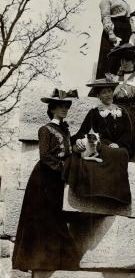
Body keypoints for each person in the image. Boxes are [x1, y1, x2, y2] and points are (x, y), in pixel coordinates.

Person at [12, 89, 79, 271]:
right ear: (52, 108)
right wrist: (63, 169)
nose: (64, 109)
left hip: (56, 180)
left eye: (66, 106)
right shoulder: (45, 129)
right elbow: (45, 156)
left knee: (54, 217)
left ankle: (52, 261)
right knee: (44, 218)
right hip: (43, 180)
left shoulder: (65, 131)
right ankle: (38, 262)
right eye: (60, 106)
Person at [65, 77, 135, 204]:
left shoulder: (122, 111)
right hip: (102, 145)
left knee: (120, 153)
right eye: (104, 92)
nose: (108, 94)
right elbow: (82, 131)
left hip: (120, 146)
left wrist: (118, 143)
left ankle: (117, 195)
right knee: (105, 152)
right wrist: (79, 140)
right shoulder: (94, 112)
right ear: (99, 96)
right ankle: (99, 192)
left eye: (109, 91)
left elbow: (127, 133)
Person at [108, 43, 135, 152]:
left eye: (127, 60)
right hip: (115, 107)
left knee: (129, 120)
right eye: (122, 60)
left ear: (133, 62)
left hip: (130, 109)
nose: (124, 63)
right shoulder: (116, 78)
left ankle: (122, 146)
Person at [96, 0, 135, 77]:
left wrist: (133, 32)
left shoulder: (125, 3)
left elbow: (130, 18)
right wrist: (110, 33)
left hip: (126, 33)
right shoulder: (106, 0)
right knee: (111, 59)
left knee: (125, 59)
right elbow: (105, 17)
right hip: (115, 31)